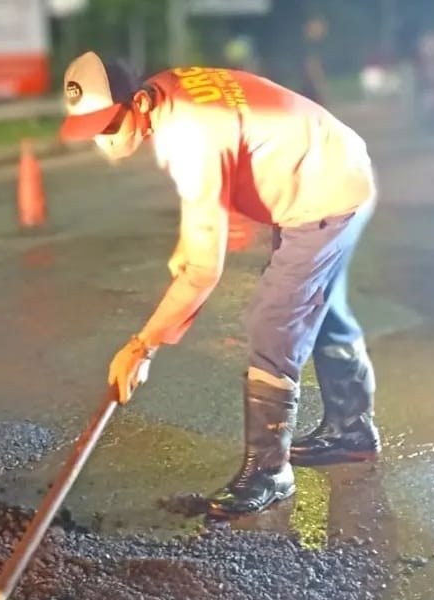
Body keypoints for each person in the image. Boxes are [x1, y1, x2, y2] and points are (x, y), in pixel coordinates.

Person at [58, 52, 380, 518]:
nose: (103, 141)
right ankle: (352, 432)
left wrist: (142, 345)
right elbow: (217, 182)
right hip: (324, 164)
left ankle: (270, 473)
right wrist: (190, 246)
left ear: (140, 104)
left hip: (323, 192)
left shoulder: (189, 134)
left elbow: (205, 270)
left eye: (108, 125)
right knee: (322, 309)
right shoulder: (166, 94)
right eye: (93, 131)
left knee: (274, 321)